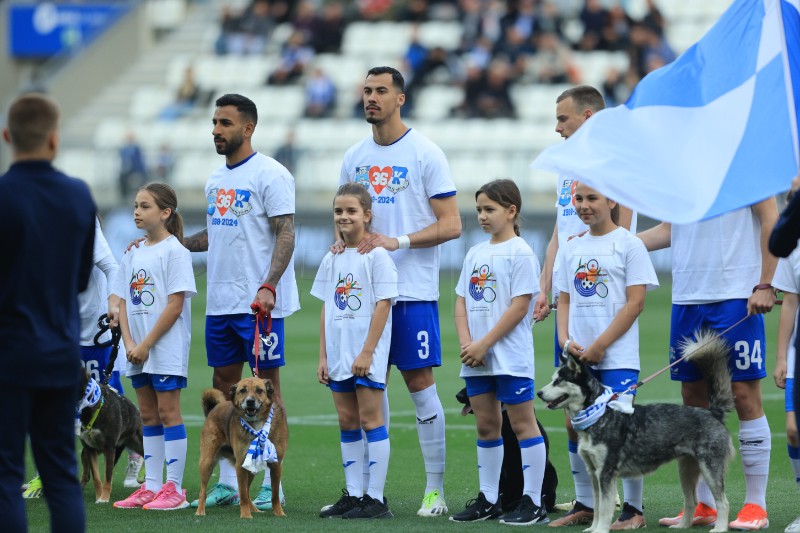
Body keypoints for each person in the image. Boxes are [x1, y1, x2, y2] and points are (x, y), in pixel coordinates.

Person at [338, 66, 462, 517]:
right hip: (363, 296)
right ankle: (367, 494)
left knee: (420, 386)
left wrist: (399, 241)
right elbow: (348, 216)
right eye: (367, 90)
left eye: (381, 91)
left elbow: (452, 224)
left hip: (411, 292)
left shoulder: (425, 152)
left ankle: (434, 490)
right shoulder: (354, 156)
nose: (371, 97)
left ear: (400, 98)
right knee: (367, 390)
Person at [183, 93, 299, 510]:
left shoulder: (271, 174)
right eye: (214, 122)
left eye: (225, 123)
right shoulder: (216, 179)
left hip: (258, 303)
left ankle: (273, 485)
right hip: (220, 302)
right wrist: (177, 242)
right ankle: (232, 483)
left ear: (247, 128)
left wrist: (268, 284)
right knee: (225, 391)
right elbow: (216, 234)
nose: (216, 129)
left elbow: (286, 232)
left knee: (268, 392)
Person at [640, 196, 778, 530]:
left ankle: (755, 506)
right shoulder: (683, 173)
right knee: (693, 397)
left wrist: (766, 282)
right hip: (687, 296)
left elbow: (771, 219)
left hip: (736, 294)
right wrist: (611, 242)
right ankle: (704, 504)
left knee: (743, 393)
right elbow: (668, 230)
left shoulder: (745, 161)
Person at [533, 85, 636, 526]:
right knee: (574, 415)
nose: (557, 128)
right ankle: (586, 503)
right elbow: (560, 231)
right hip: (570, 296)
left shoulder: (618, 166)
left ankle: (632, 508)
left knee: (618, 419)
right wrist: (545, 284)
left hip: (605, 301)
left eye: (563, 119)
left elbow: (623, 234)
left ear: (589, 117)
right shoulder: (566, 168)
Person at [0, 92, 95, 533]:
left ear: (7, 136)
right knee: (60, 473)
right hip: (60, 354)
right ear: (54, 139)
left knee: (6, 476)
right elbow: (79, 280)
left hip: (9, 354)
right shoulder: (78, 196)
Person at [554, 181, 658, 529]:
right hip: (578, 356)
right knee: (574, 424)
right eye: (579, 199)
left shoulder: (630, 244)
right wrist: (566, 341)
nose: (584, 206)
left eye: (592, 198)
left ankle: (633, 510)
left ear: (612, 199)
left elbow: (636, 302)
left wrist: (601, 345)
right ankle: (584, 503)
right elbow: (564, 298)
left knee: (620, 428)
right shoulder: (570, 248)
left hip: (617, 357)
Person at [450, 179, 548, 526]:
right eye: (478, 209)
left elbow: (520, 306)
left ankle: (532, 501)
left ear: (511, 211)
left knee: (523, 424)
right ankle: (489, 499)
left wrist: (485, 343)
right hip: (477, 358)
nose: (482, 216)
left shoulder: (521, 251)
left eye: (489, 209)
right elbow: (461, 301)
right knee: (486, 426)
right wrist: (468, 344)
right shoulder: (476, 252)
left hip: (509, 357)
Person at [23, 217, 143, 498]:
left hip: (92, 331)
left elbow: (112, 267)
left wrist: (113, 303)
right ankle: (48, 474)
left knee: (109, 398)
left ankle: (136, 453)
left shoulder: (82, 224)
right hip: (59, 332)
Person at [314, 182, 398, 519]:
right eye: (338, 211)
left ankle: (375, 499)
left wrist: (366, 352)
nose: (344, 217)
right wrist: (323, 356)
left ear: (367, 214)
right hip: (338, 356)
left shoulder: (377, 256)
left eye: (351, 211)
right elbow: (326, 308)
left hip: (366, 355)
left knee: (370, 419)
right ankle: (353, 493)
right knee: (347, 421)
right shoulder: (332, 257)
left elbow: (383, 305)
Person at [112, 183, 196, 511]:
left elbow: (175, 305)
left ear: (165, 213)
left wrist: (146, 344)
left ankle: (175, 489)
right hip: (137, 349)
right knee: (148, 414)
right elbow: (121, 300)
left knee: (168, 412)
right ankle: (151, 486)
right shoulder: (133, 252)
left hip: (164, 348)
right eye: (135, 205)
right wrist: (131, 343)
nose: (136, 211)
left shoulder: (175, 251)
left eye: (145, 206)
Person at [769, 173, 800, 533]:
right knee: (793, 430)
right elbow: (790, 301)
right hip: (797, 351)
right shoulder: (790, 242)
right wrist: (781, 358)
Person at [118, 132, 147, 203]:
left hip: (137, 170)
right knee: (122, 178)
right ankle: (124, 197)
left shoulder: (137, 149)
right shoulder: (124, 149)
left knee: (142, 179)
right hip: (127, 170)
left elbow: (139, 162)